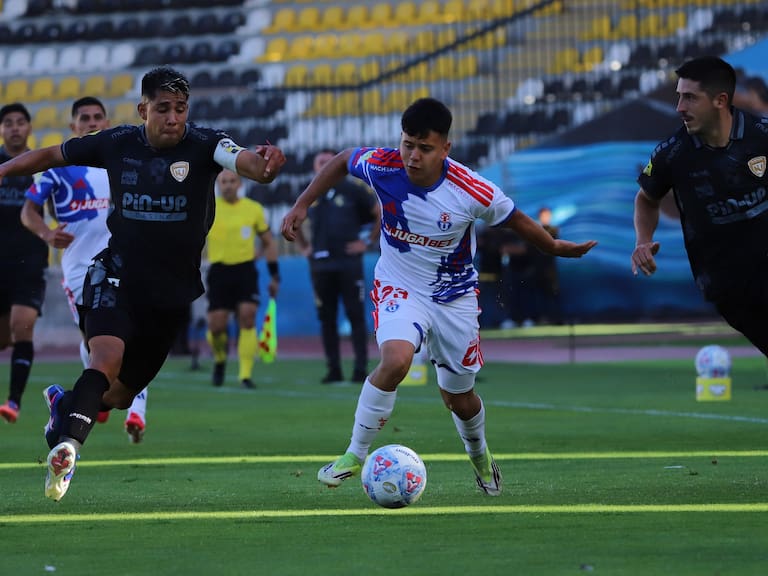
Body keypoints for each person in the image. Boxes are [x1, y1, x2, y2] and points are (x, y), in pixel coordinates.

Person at [281, 97, 596, 495]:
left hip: (455, 298)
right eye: (408, 144)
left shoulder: (470, 189)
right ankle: (353, 454)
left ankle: (480, 457)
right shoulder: (382, 165)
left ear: (445, 148)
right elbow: (344, 159)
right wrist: (302, 204)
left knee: (458, 398)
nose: (413, 156)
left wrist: (552, 248)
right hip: (400, 285)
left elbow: (515, 219)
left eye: (424, 148)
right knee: (395, 360)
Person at [0, 66, 285, 501]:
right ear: (143, 109)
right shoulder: (116, 143)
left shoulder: (207, 144)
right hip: (115, 274)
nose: (174, 118)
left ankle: (64, 406)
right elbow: (50, 155)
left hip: (170, 293)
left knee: (115, 395)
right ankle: (68, 452)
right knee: (104, 358)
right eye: (164, 108)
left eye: (181, 109)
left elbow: (247, 163)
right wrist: (3, 172)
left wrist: (265, 169)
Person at [21, 96, 150, 443]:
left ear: (106, 123)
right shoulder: (58, 170)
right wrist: (47, 232)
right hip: (79, 269)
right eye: (85, 118)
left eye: (98, 117)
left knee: (133, 336)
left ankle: (134, 410)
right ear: (73, 126)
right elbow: (28, 211)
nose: (92, 123)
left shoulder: (120, 163)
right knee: (98, 343)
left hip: (123, 262)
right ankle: (74, 401)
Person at [632, 56, 768, 359]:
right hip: (725, 284)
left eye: (690, 97)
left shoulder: (762, 136)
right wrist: (642, 240)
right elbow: (646, 198)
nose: (680, 107)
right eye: (679, 96)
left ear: (720, 100)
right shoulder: (673, 154)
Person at [295, 149, 380, 384]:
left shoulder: (353, 188)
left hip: (348, 263)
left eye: (327, 161)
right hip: (321, 264)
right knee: (327, 318)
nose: (322, 166)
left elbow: (379, 213)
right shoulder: (310, 193)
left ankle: (360, 368)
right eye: (318, 162)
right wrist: (304, 247)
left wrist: (367, 242)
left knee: (355, 315)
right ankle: (333, 369)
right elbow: (295, 218)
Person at [205, 168, 280, 389]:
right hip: (219, 270)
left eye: (232, 181)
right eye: (223, 181)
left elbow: (268, 242)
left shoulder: (253, 209)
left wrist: (275, 274)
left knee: (247, 318)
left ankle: (245, 374)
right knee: (216, 326)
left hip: (245, 270)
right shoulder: (209, 208)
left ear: (239, 184)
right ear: (218, 185)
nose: (228, 185)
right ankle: (219, 359)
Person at [0, 103, 48, 424]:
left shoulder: (43, 166)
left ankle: (13, 402)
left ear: (29, 128)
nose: (15, 128)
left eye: (21, 122)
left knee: (22, 325)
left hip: (30, 260)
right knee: (4, 338)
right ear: (2, 130)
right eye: (8, 123)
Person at [532, 207, 562, 325]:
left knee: (553, 292)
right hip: (538, 267)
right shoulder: (536, 229)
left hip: (550, 267)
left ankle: (556, 318)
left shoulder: (553, 229)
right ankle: (542, 318)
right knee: (539, 294)